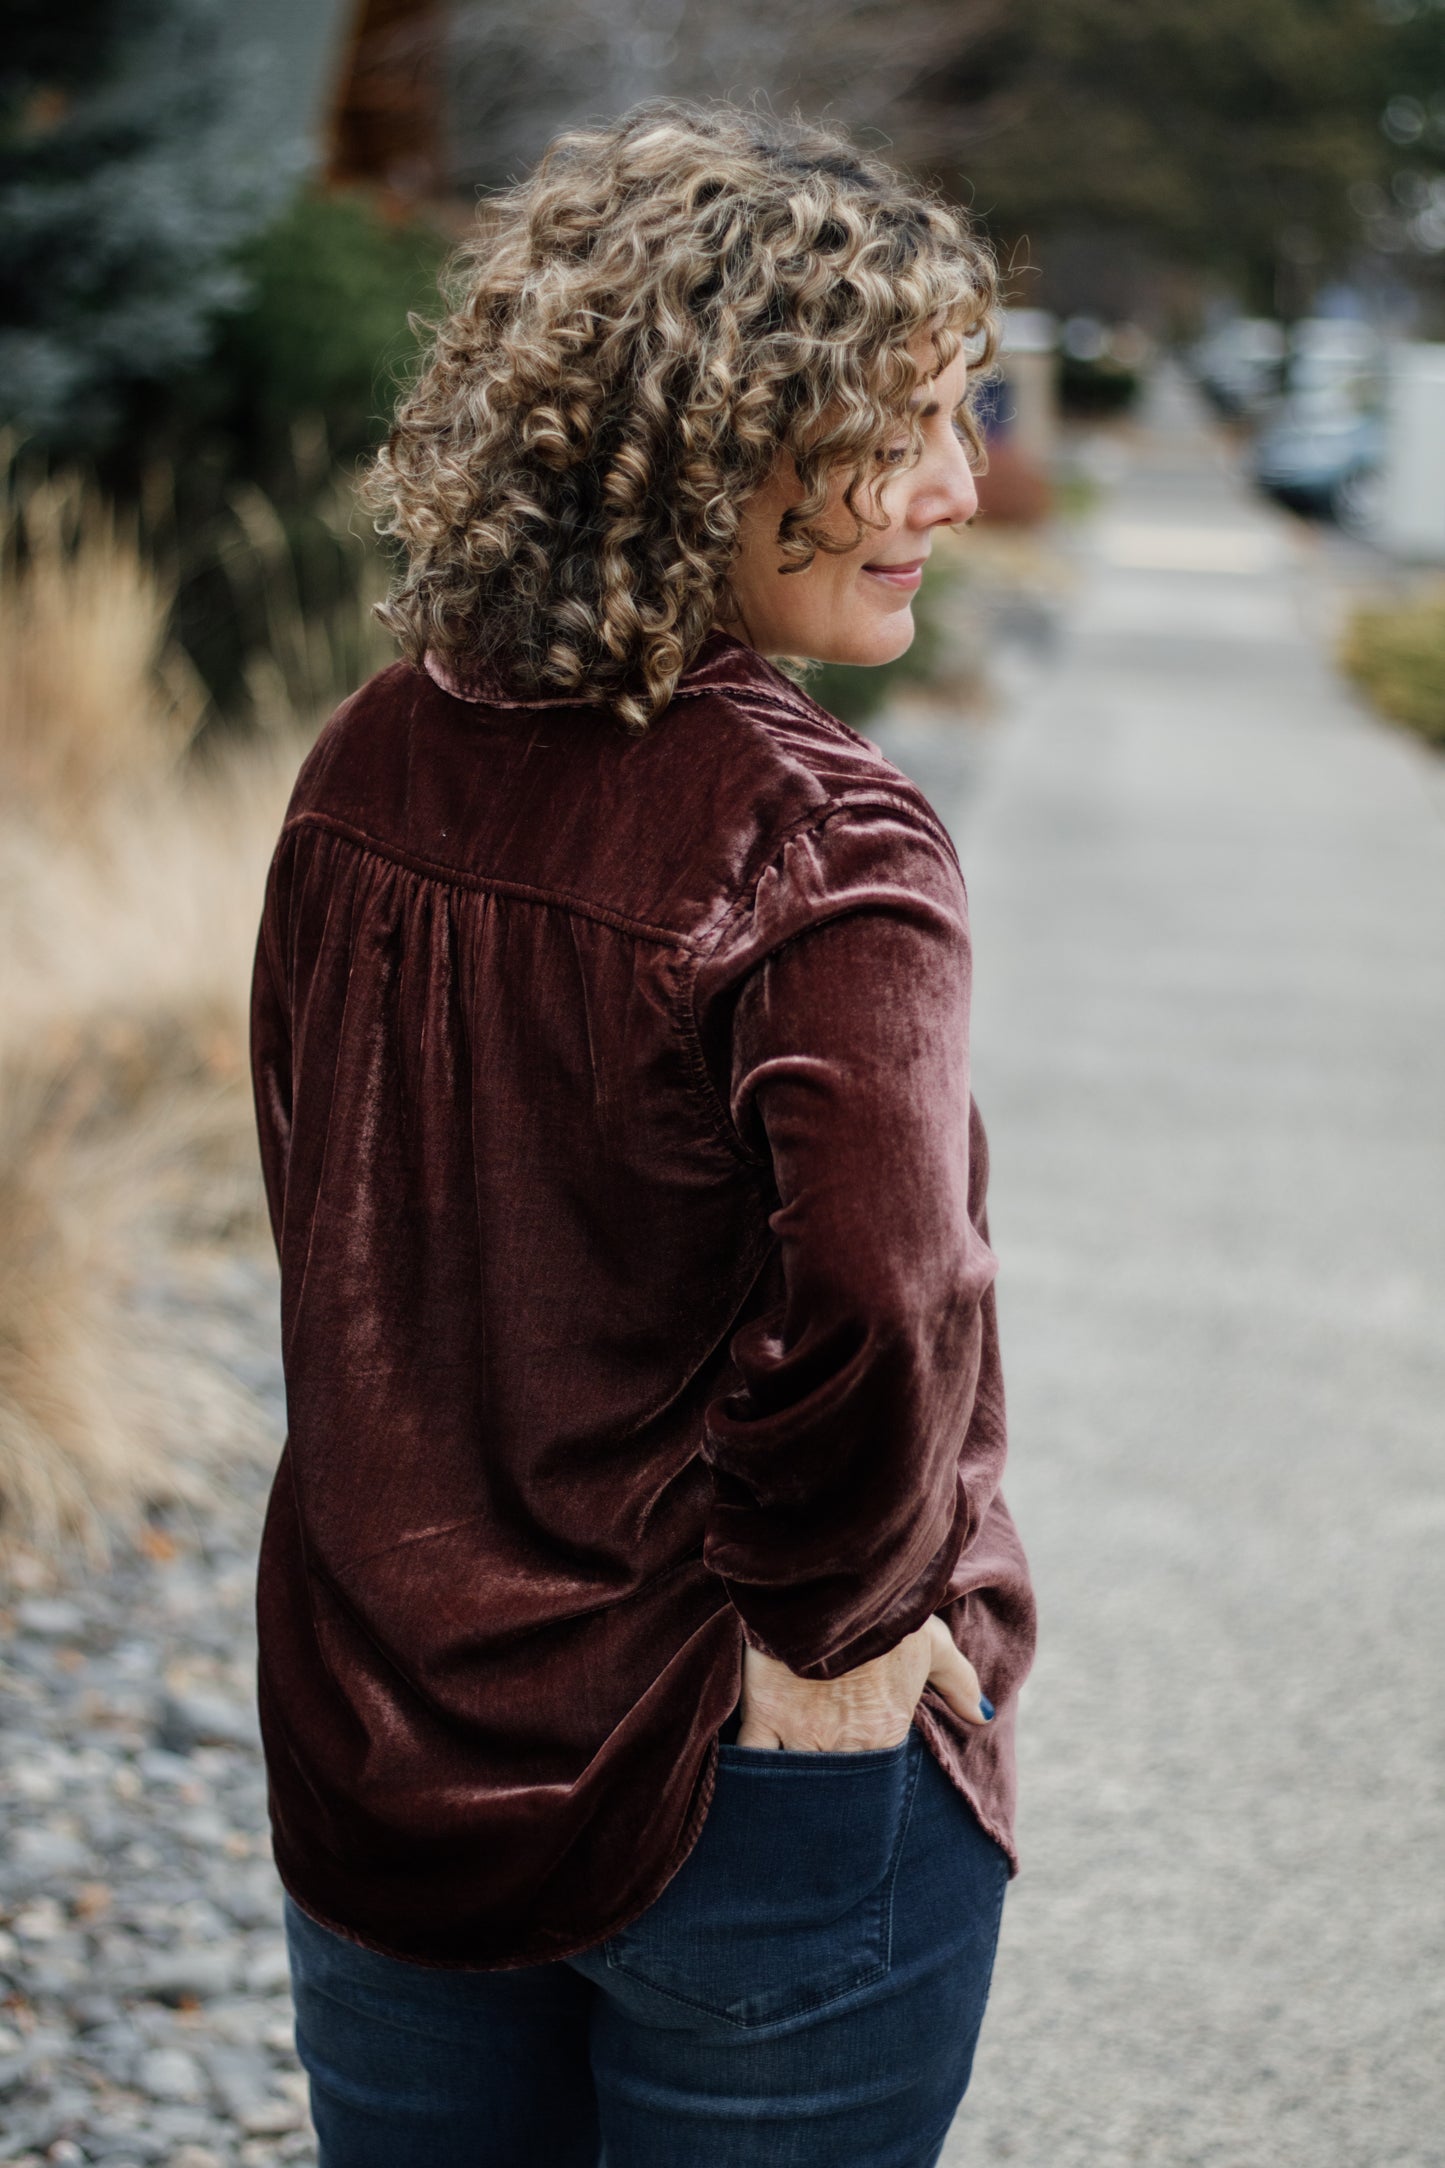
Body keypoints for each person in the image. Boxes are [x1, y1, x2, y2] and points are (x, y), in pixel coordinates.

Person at [249, 98, 1037, 2168]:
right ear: (713, 439)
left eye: (970, 416)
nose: (954, 488)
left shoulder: (368, 758)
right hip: (737, 1768)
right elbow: (887, 1299)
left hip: (386, 1743)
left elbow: (337, 1253)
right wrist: (834, 1631)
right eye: (902, 424)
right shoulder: (824, 837)